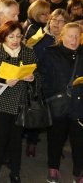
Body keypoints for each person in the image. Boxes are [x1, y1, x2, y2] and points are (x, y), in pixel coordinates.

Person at [0, 21, 39, 183]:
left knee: (17, 141)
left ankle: (15, 173)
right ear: (3, 37)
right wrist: (4, 81)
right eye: (11, 36)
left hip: (21, 103)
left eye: (18, 36)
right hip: (1, 103)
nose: (15, 40)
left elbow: (39, 76)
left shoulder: (28, 52)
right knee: (1, 139)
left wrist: (32, 78)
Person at [38, 23, 83, 183]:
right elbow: (42, 78)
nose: (74, 39)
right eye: (70, 36)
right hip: (58, 104)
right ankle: (53, 167)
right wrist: (50, 96)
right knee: (56, 138)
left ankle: (79, 172)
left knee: (79, 140)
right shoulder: (51, 53)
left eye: (77, 36)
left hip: (80, 105)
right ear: (62, 36)